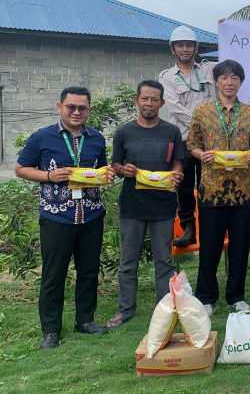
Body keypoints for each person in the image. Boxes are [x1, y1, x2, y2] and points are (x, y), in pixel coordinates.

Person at [15, 86, 115, 350]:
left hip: (91, 215)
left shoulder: (95, 139)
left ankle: (85, 321)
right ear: (60, 107)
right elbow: (20, 168)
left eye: (82, 108)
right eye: (71, 107)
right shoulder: (42, 137)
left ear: (89, 110)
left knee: (89, 271)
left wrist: (107, 174)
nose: (76, 112)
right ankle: (50, 331)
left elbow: (101, 168)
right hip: (56, 217)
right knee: (53, 275)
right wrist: (49, 176)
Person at [187, 60, 250, 314]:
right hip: (212, 190)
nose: (229, 82)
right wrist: (201, 156)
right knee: (209, 246)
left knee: (240, 247)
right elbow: (192, 144)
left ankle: (236, 296)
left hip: (243, 191)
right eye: (224, 78)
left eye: (234, 78)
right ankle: (206, 297)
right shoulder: (202, 112)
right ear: (217, 82)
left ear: (240, 82)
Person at [106, 80, 184, 329]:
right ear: (136, 101)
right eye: (144, 98)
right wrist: (123, 170)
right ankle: (125, 309)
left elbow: (177, 163)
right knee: (128, 261)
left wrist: (178, 174)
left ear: (162, 103)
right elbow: (115, 165)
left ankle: (165, 308)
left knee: (165, 261)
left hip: (163, 206)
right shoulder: (124, 132)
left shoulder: (171, 132)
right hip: (132, 206)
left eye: (154, 99)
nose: (149, 103)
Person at [159, 25, 216, 247]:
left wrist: (227, 30)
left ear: (196, 47)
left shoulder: (210, 69)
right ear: (172, 49)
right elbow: (175, 107)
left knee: (208, 183)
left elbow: (235, 58)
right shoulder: (167, 77)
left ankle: (210, 226)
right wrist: (203, 123)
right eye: (180, 45)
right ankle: (188, 228)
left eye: (189, 45)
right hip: (182, 137)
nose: (185, 49)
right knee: (183, 184)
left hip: (210, 140)